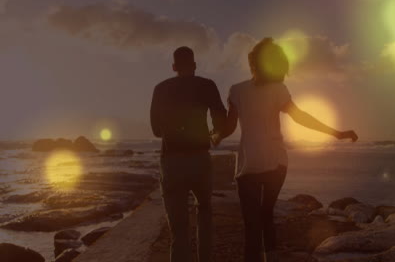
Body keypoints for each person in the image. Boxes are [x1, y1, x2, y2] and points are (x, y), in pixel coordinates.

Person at [214, 38, 358, 262]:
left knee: (252, 225)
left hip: (249, 165)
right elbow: (300, 117)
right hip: (275, 163)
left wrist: (215, 136)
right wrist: (337, 133)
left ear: (253, 62)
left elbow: (230, 127)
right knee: (265, 216)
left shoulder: (238, 90)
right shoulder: (275, 90)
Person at [150, 46, 227, 262]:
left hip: (172, 161)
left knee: (179, 229)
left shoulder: (160, 88)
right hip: (199, 159)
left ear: (174, 67)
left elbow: (156, 130)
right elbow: (220, 118)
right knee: (204, 211)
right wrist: (214, 135)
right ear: (194, 65)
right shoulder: (206, 85)